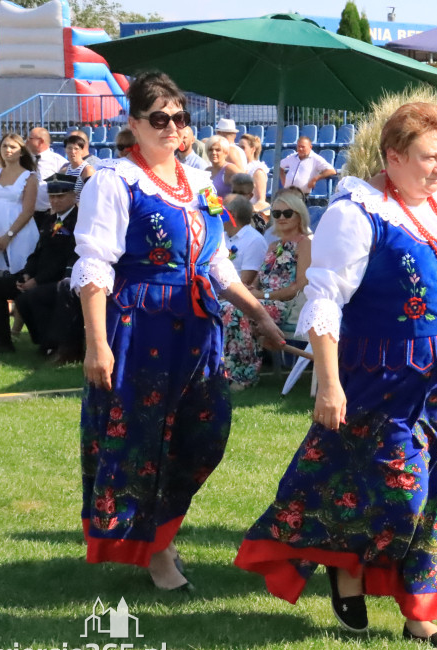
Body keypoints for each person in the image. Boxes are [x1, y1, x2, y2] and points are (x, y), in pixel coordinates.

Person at [235, 102, 437, 650]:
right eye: (428, 157)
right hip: (386, 376)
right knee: (399, 492)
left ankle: (422, 613)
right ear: (393, 157)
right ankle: (344, 566)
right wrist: (329, 384)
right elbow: (324, 301)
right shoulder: (356, 212)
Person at [72, 71, 285, 591]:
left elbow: (217, 263)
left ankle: (160, 530)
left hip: (195, 327)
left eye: (180, 118)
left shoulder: (196, 183)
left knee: (205, 435)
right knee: (147, 441)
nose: (172, 127)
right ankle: (157, 552)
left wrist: (258, 314)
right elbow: (95, 267)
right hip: (140, 324)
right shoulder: (113, 180)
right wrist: (97, 345)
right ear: (134, 123)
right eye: (159, 118)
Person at [221, 189, 311, 390]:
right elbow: (261, 282)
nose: (281, 218)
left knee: (236, 311)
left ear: (299, 215)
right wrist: (251, 289)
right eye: (277, 213)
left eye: (287, 213)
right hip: (265, 300)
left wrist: (263, 295)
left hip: (288, 304)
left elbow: (298, 286)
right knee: (228, 306)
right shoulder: (274, 246)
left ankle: (244, 377)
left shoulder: (305, 244)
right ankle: (226, 372)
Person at [11, 174, 82, 361]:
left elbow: (71, 256)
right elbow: (37, 252)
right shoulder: (49, 220)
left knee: (35, 296)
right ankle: (43, 343)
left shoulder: (79, 220)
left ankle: (57, 345)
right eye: (52, 197)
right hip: (41, 275)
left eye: (61, 196)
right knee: (18, 297)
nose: (55, 201)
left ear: (74, 196)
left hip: (63, 278)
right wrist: (27, 274)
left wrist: (38, 281)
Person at [0, 133, 40, 339]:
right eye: (4, 146)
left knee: (19, 279)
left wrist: (9, 235)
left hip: (19, 235)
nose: (8, 150)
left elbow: (28, 210)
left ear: (21, 150)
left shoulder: (29, 176)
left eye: (12, 146)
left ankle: (17, 329)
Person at [25, 126, 67, 233]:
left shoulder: (59, 162)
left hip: (49, 214)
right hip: (26, 214)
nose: (26, 141)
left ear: (41, 141)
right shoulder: (23, 161)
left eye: (30, 138)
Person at [222, 194, 267, 287]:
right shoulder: (221, 235)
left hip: (230, 298)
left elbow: (245, 282)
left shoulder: (255, 241)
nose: (216, 215)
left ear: (233, 215)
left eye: (221, 211)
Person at [237, 133, 270, 206]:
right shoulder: (240, 166)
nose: (240, 150)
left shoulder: (257, 170)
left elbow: (261, 200)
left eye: (243, 147)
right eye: (239, 147)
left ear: (253, 149)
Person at [61, 133, 95, 202]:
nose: (73, 152)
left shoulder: (87, 170)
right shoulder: (64, 171)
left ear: (82, 150)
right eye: (69, 148)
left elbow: (92, 195)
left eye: (76, 149)